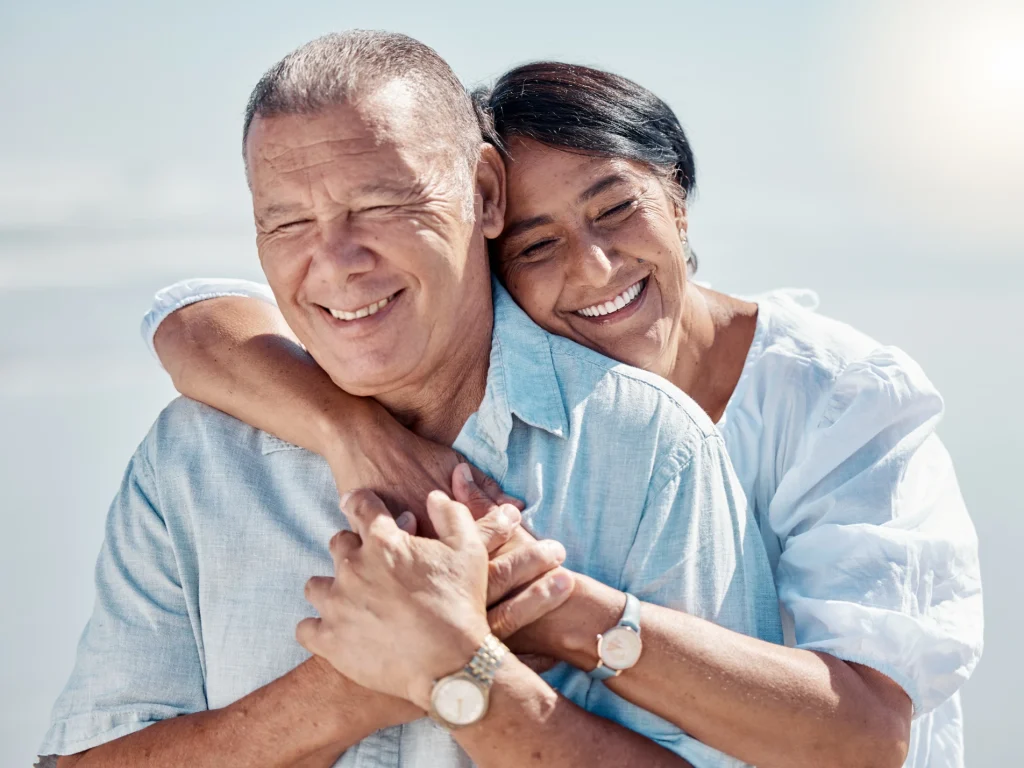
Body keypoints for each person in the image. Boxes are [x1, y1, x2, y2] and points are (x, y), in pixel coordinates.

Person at [143, 61, 984, 768]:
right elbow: (191, 318)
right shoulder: (515, 405)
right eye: (536, 247)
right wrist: (352, 432)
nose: (593, 268)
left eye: (617, 209)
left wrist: (552, 608)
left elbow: (873, 731)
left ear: (679, 199)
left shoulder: (838, 396)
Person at [39, 32, 784, 768]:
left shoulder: (652, 447)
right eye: (289, 221)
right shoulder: (193, 458)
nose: (334, 263)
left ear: (484, 194)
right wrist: (349, 688)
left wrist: (462, 673)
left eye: (381, 204)